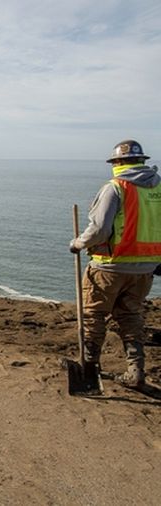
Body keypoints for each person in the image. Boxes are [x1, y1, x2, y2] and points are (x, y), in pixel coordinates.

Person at [70, 140, 161, 388]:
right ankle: (136, 372)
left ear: (117, 163)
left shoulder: (115, 188)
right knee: (131, 316)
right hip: (145, 269)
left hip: (109, 266)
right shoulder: (158, 188)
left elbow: (100, 230)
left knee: (93, 315)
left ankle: (90, 368)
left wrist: (78, 243)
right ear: (142, 161)